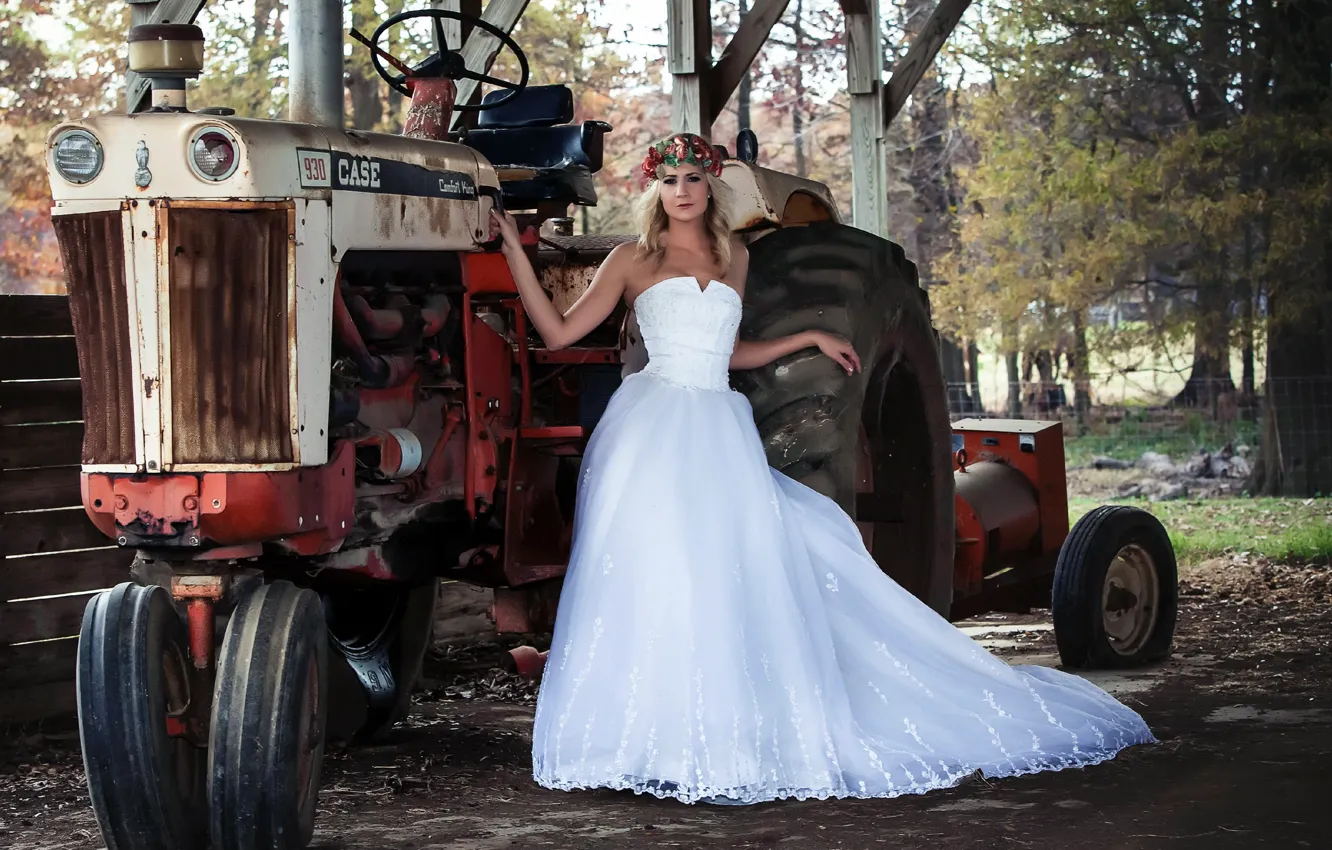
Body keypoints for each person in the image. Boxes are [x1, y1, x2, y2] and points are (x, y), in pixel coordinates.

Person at [486, 132, 1155, 806]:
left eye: (694, 178)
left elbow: (731, 349)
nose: (682, 191)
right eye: (670, 180)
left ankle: (727, 732)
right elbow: (560, 333)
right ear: (655, 190)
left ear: (709, 188)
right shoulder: (633, 260)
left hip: (717, 422)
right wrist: (514, 250)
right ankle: (646, 737)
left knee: (728, 571)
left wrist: (806, 336)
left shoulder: (734, 256)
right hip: (656, 427)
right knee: (658, 574)